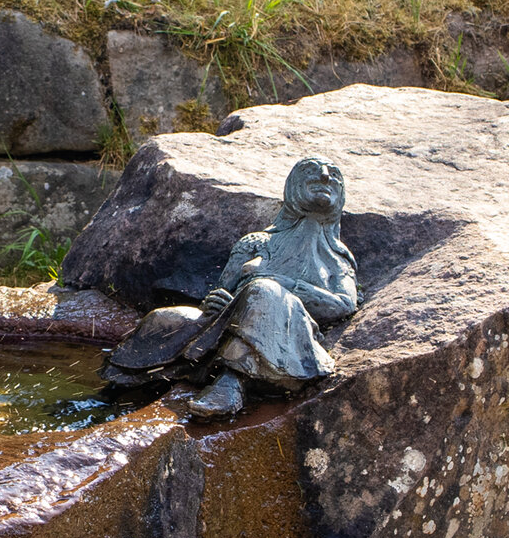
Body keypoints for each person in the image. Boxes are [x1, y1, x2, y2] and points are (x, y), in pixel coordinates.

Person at [103, 157, 358, 418]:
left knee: (264, 290)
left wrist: (286, 285)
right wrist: (214, 301)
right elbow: (222, 292)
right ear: (293, 186)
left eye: (334, 175)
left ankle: (232, 382)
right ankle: (117, 387)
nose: (325, 176)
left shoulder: (337, 258)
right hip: (228, 324)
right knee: (163, 319)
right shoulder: (257, 242)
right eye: (311, 172)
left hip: (290, 335)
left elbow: (344, 304)